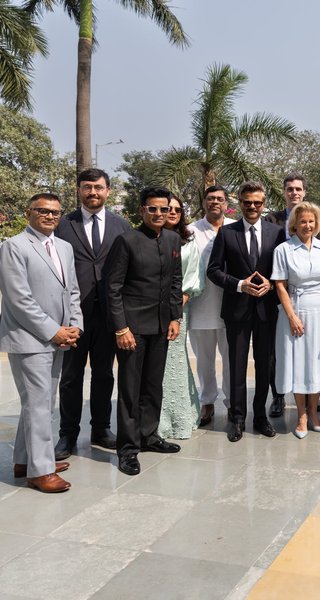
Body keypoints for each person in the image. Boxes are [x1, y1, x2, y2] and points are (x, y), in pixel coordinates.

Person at [0, 193, 82, 492]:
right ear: (28, 213)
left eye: (56, 213)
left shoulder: (64, 247)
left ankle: (27, 461)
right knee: (38, 405)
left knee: (40, 402)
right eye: (43, 211)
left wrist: (75, 326)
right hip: (30, 338)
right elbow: (18, 299)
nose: (50, 217)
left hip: (59, 337)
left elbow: (72, 290)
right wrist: (53, 331)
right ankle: (40, 471)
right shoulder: (13, 246)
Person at [104, 187, 183, 476]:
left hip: (162, 326)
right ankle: (127, 448)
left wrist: (176, 317)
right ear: (142, 210)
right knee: (130, 389)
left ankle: (148, 435)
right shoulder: (126, 241)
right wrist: (121, 327)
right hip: (132, 328)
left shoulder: (174, 239)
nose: (159, 214)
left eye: (164, 209)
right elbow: (112, 287)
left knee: (153, 385)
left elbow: (176, 281)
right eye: (153, 209)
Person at [54, 168, 131, 460]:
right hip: (73, 315)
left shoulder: (121, 225)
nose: (93, 193)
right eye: (87, 187)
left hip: (109, 314)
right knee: (71, 376)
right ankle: (67, 434)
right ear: (79, 191)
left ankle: (100, 429)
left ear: (108, 191)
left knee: (103, 374)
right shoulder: (63, 225)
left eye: (98, 188)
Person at [207, 181, 285, 442]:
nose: (252, 207)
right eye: (247, 202)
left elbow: (284, 271)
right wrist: (240, 285)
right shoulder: (227, 233)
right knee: (237, 366)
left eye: (257, 203)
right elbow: (214, 271)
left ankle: (260, 417)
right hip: (237, 310)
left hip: (266, 310)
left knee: (265, 365)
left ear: (264, 205)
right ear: (239, 203)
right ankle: (237, 418)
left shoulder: (277, 233)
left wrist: (271, 284)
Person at [273, 201, 320, 438]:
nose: (307, 225)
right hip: (294, 309)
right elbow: (279, 284)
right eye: (302, 221)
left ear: (317, 224)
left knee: (317, 362)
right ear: (294, 225)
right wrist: (291, 316)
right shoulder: (283, 250)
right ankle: (301, 415)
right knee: (297, 362)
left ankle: (315, 412)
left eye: (311, 221)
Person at [265, 174, 320, 417]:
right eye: (289, 189)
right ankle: (278, 396)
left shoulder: (313, 220)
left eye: (298, 189)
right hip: (276, 291)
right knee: (277, 352)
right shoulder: (272, 220)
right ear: (284, 191)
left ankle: (311, 396)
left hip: (309, 296)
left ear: (304, 192)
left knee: (311, 351)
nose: (294, 193)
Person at [188, 186, 235, 426]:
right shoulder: (191, 231)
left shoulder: (236, 227)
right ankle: (207, 402)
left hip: (231, 306)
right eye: (210, 198)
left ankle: (231, 404)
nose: (215, 202)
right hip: (200, 306)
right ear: (204, 202)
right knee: (204, 359)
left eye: (220, 198)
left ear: (226, 203)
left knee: (231, 358)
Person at [158, 194, 203, 439]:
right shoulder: (148, 238)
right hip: (150, 311)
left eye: (177, 209)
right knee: (156, 364)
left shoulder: (188, 241)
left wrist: (174, 307)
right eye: (168, 208)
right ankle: (157, 417)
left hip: (178, 311)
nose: (172, 212)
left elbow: (193, 279)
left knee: (175, 361)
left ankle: (179, 416)